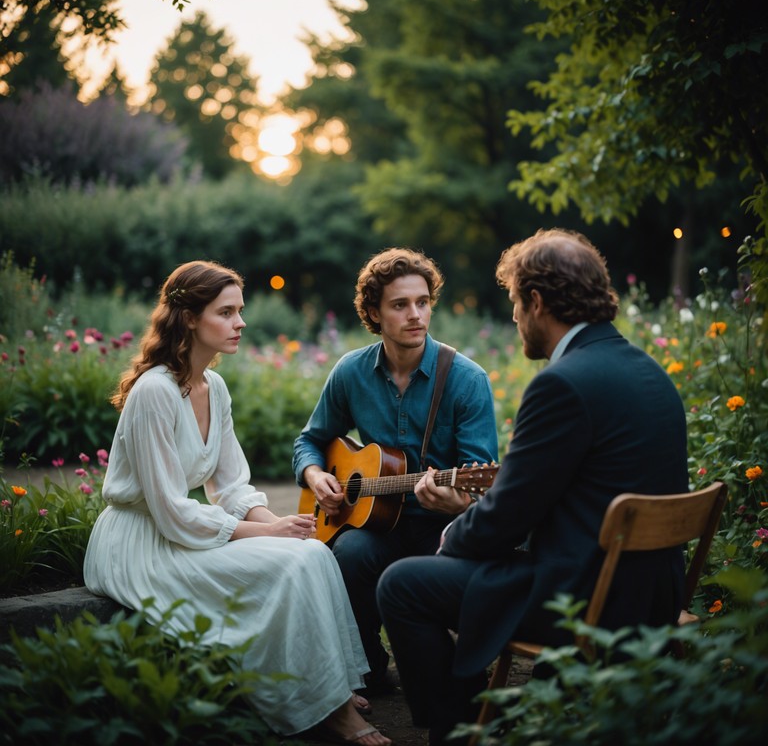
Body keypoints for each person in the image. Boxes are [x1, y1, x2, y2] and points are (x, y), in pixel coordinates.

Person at [377, 228, 689, 745]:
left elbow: (503, 518)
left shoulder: (562, 384)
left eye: (517, 304)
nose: (516, 318)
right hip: (653, 590)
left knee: (403, 584)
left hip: (590, 599)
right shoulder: (649, 371)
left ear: (538, 302)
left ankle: (460, 730)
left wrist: (452, 535)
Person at [84, 261, 390, 746]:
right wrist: (268, 534)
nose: (240, 322)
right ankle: (327, 709)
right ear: (189, 319)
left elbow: (231, 489)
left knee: (311, 553)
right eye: (226, 312)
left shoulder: (215, 388)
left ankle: (323, 686)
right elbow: (169, 511)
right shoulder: (154, 394)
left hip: (183, 530)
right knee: (287, 565)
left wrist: (281, 524)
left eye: (240, 311)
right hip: (140, 543)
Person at [293, 247, 499, 695]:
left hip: (440, 527)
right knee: (346, 552)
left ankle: (453, 674)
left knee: (452, 557)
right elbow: (309, 440)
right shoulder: (351, 372)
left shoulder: (467, 380)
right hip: (377, 523)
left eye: (423, 302)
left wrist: (458, 500)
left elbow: (482, 488)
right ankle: (365, 663)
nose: (416, 315)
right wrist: (315, 476)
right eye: (400, 304)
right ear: (373, 312)